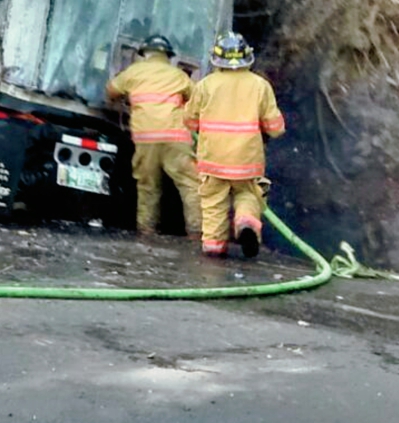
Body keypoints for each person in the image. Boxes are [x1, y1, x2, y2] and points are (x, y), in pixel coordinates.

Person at [184, 32, 285, 258]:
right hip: (247, 162)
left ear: (216, 59)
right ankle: (246, 222)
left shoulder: (205, 86)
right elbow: (275, 128)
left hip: (213, 161)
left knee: (213, 203)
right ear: (247, 57)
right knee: (248, 195)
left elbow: (189, 121)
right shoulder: (260, 86)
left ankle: (213, 248)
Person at [106, 34, 202, 239]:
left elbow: (111, 91)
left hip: (145, 139)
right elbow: (198, 100)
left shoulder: (133, 72)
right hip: (176, 138)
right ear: (167, 56)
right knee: (190, 184)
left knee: (148, 185)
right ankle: (196, 233)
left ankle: (147, 231)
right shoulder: (178, 76)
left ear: (144, 54)